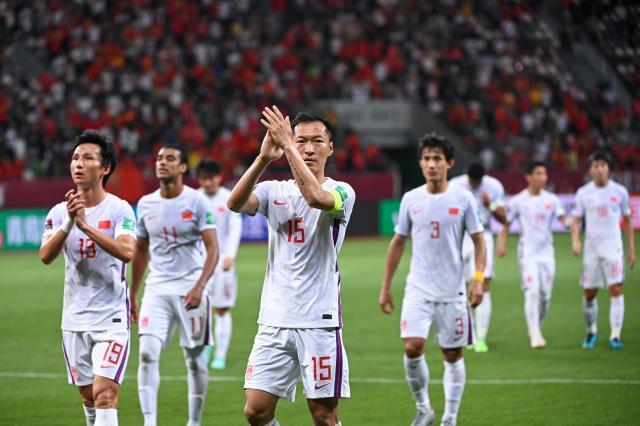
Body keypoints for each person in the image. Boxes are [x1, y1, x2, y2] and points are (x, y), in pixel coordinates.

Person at [228, 107, 355, 426]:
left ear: (330, 148)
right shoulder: (274, 190)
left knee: (324, 415)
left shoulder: (341, 190)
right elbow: (235, 203)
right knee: (255, 411)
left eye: (317, 141)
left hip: (319, 321)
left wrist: (287, 146)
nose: (308, 148)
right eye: (301, 141)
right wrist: (263, 159)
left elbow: (315, 198)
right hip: (274, 319)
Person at [379, 134, 486, 426]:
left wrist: (478, 279)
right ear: (420, 163)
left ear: (449, 163)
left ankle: (450, 418)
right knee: (412, 347)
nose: (431, 164)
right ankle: (424, 408)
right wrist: (386, 287)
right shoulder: (411, 199)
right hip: (418, 289)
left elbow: (479, 241)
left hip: (453, 291)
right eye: (426, 158)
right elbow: (398, 243)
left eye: (437, 158)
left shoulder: (463, 199)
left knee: (452, 354)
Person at [39, 130, 136, 426]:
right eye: (75, 158)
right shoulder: (59, 213)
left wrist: (86, 227)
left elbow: (127, 251)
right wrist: (70, 222)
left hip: (111, 319)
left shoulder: (119, 209)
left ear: (105, 168)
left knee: (105, 394)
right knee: (88, 397)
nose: (78, 163)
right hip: (74, 319)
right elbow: (45, 256)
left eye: (87, 158)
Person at [130, 144, 219, 426]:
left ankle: (194, 421)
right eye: (159, 158)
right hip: (156, 289)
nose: (162, 162)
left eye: (170, 158)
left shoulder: (197, 202)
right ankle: (150, 422)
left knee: (194, 359)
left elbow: (212, 248)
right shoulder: (146, 204)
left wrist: (200, 286)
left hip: (191, 289)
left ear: (182, 168)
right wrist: (133, 293)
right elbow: (140, 250)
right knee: (146, 354)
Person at [496, 161, 570, 348]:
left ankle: (535, 326)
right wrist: (501, 244)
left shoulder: (551, 199)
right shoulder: (519, 201)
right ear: (528, 177)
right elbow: (506, 223)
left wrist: (571, 223)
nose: (542, 177)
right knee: (532, 292)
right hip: (528, 254)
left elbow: (564, 219)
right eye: (538, 173)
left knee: (545, 297)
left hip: (547, 254)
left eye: (544, 173)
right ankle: (535, 334)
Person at [571, 150, 636, 350]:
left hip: (613, 248)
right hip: (591, 250)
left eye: (603, 166)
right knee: (589, 293)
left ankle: (615, 335)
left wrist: (631, 249)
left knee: (615, 289)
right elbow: (576, 219)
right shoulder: (583, 193)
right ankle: (591, 330)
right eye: (596, 166)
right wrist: (575, 240)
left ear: (608, 168)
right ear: (590, 170)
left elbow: (628, 220)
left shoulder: (620, 191)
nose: (600, 169)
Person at [449, 163, 505, 352]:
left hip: (483, 235)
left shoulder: (494, 186)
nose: (475, 184)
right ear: (467, 176)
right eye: (472, 181)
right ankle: (469, 334)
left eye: (478, 182)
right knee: (463, 287)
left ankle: (481, 337)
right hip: (460, 237)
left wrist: (491, 204)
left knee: (482, 284)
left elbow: (504, 218)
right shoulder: (455, 185)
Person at [196, 158, 243, 370]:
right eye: (203, 179)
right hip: (200, 263)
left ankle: (220, 355)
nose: (207, 183)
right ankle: (205, 346)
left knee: (222, 309)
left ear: (219, 177)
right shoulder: (194, 199)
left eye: (210, 178)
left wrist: (230, 254)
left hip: (222, 261)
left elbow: (235, 227)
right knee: (200, 308)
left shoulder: (228, 198)